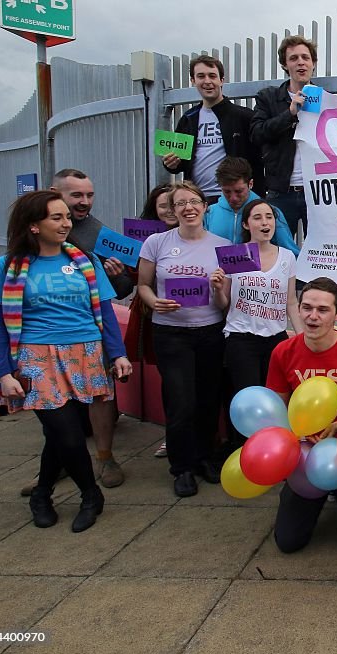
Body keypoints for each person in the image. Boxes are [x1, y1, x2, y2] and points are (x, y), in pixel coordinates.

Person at [0, 190, 132, 532]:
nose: (66, 223)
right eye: (57, 218)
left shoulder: (85, 261)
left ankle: (42, 493)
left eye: (67, 217)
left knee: (58, 433)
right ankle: (91, 495)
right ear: (33, 226)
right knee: (67, 432)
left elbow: (107, 314)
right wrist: (4, 373)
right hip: (36, 358)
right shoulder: (5, 267)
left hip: (85, 354)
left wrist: (118, 353)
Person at [265, 277, 337, 552]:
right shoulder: (283, 352)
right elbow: (276, 410)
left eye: (323, 309)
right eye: (307, 308)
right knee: (288, 542)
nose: (312, 316)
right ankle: (313, 496)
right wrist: (296, 436)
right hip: (306, 452)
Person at [136, 181, 230, 497]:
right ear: (172, 210)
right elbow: (143, 285)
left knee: (206, 400)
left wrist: (219, 288)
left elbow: (225, 304)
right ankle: (182, 467)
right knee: (180, 402)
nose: (188, 208)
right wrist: (153, 302)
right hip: (171, 334)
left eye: (194, 201)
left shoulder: (223, 244)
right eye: (180, 203)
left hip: (210, 332)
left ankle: (204, 457)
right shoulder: (156, 242)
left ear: (205, 207)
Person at [48, 168, 131, 490]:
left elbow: (118, 291)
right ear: (55, 193)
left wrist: (118, 273)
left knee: (101, 398)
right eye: (77, 196)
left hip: (90, 332)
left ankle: (105, 458)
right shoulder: (31, 235)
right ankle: (58, 462)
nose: (84, 203)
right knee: (53, 405)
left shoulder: (100, 236)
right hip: (47, 339)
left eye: (90, 195)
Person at [210, 198, 301, 451]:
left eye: (269, 217)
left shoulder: (287, 257)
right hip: (241, 339)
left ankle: (274, 451)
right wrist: (217, 289)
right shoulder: (236, 255)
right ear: (247, 224)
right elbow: (222, 304)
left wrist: (302, 337)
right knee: (246, 399)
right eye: (258, 217)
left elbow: (291, 302)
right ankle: (245, 451)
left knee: (276, 399)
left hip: (276, 339)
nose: (265, 223)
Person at [124, 183, 179, 459]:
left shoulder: (194, 237)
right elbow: (131, 281)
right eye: (163, 205)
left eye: (174, 204)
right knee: (169, 378)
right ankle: (171, 437)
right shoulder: (146, 240)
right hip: (154, 315)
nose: (170, 210)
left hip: (190, 317)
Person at [161, 54, 260, 203]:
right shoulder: (188, 119)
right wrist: (170, 164)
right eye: (201, 76)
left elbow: (260, 158)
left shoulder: (244, 117)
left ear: (221, 80)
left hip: (234, 199)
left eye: (212, 76)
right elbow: (178, 162)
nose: (207, 81)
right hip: (197, 199)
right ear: (193, 81)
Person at [251, 35, 319, 241]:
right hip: (281, 192)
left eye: (306, 58)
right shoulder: (268, 97)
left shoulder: (324, 97)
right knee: (277, 252)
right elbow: (257, 133)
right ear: (284, 64)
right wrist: (289, 114)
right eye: (294, 58)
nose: (301, 62)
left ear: (313, 64)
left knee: (317, 257)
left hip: (316, 193)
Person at [204, 156, 298, 252]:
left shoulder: (270, 213)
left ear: (251, 184)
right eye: (227, 192)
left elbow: (291, 253)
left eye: (239, 191)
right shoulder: (209, 213)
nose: (233, 198)